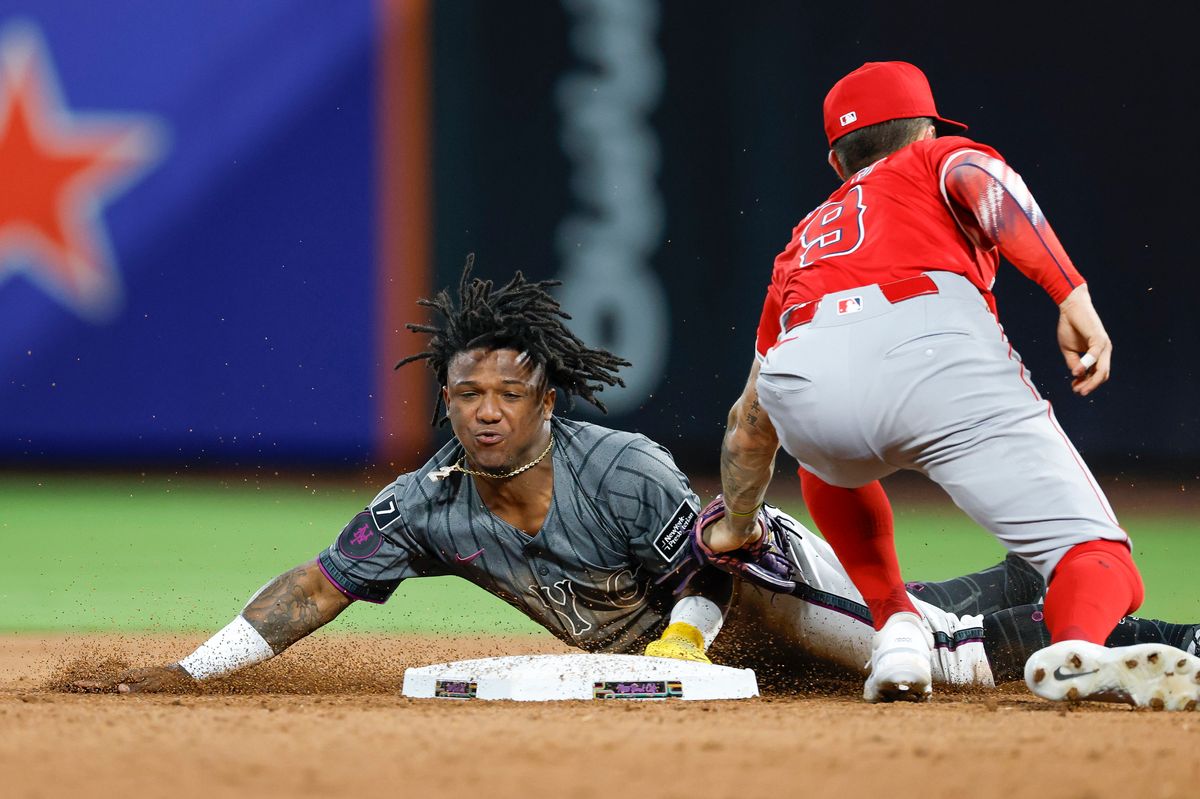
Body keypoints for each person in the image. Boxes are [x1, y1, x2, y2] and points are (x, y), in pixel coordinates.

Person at [74, 259, 1199, 702]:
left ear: (546, 401)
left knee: (944, 658)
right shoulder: (429, 503)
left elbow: (725, 560)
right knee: (952, 613)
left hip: (764, 588)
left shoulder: (619, 470)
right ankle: (1024, 573)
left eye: (508, 394)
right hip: (722, 651)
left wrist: (676, 649)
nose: (485, 411)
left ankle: (1175, 642)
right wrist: (192, 669)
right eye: (466, 395)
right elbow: (317, 583)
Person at [704, 60, 1199, 708]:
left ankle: (897, 624)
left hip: (807, 371)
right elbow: (984, 179)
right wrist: (1068, 289)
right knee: (1098, 554)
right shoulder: (931, 160)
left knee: (827, 461)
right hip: (934, 345)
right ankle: (1074, 645)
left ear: (837, 164)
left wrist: (737, 523)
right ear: (926, 130)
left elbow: (751, 421)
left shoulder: (801, 244)